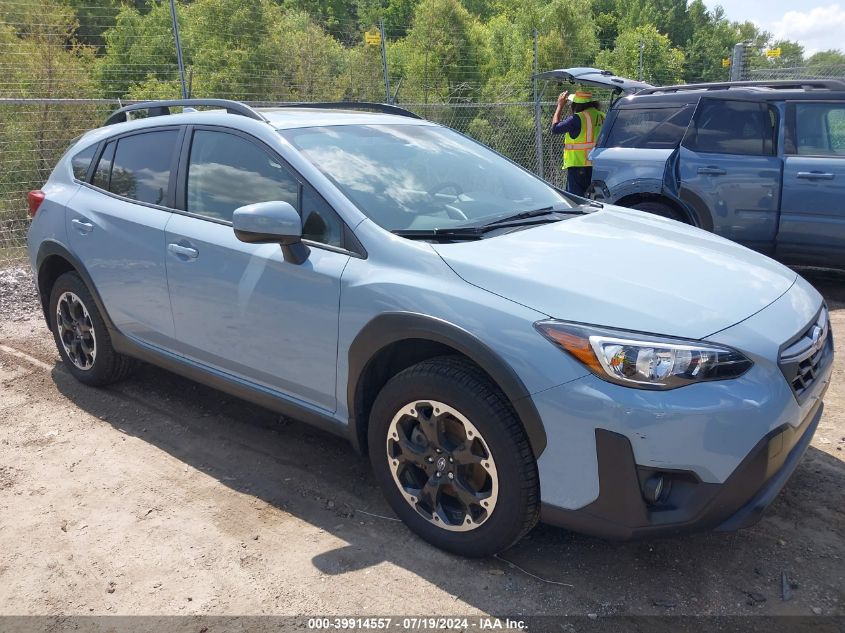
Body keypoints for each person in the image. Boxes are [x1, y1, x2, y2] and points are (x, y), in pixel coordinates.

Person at [551, 90, 605, 197]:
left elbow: (555, 129)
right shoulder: (603, 116)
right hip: (598, 165)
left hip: (579, 166)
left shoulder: (578, 118)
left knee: (576, 200)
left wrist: (560, 106)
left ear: (577, 104)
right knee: (595, 199)